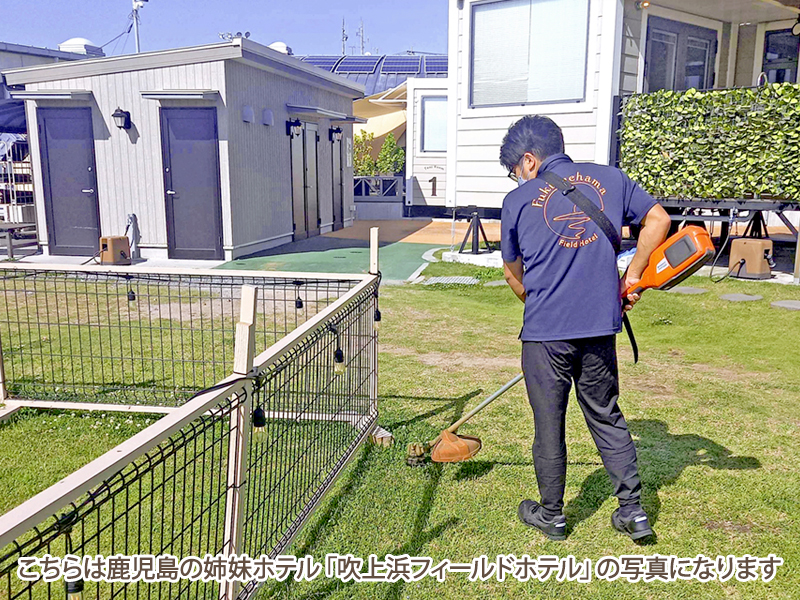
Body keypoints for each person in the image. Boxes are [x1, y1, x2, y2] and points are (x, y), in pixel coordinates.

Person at [500, 115, 671, 541]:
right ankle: (633, 512)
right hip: (599, 328)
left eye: (515, 170)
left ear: (528, 160)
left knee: (549, 422)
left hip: (545, 334)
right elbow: (659, 220)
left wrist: (538, 302)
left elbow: (511, 272)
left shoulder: (519, 201)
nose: (517, 178)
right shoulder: (611, 179)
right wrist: (632, 274)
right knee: (605, 414)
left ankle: (552, 514)